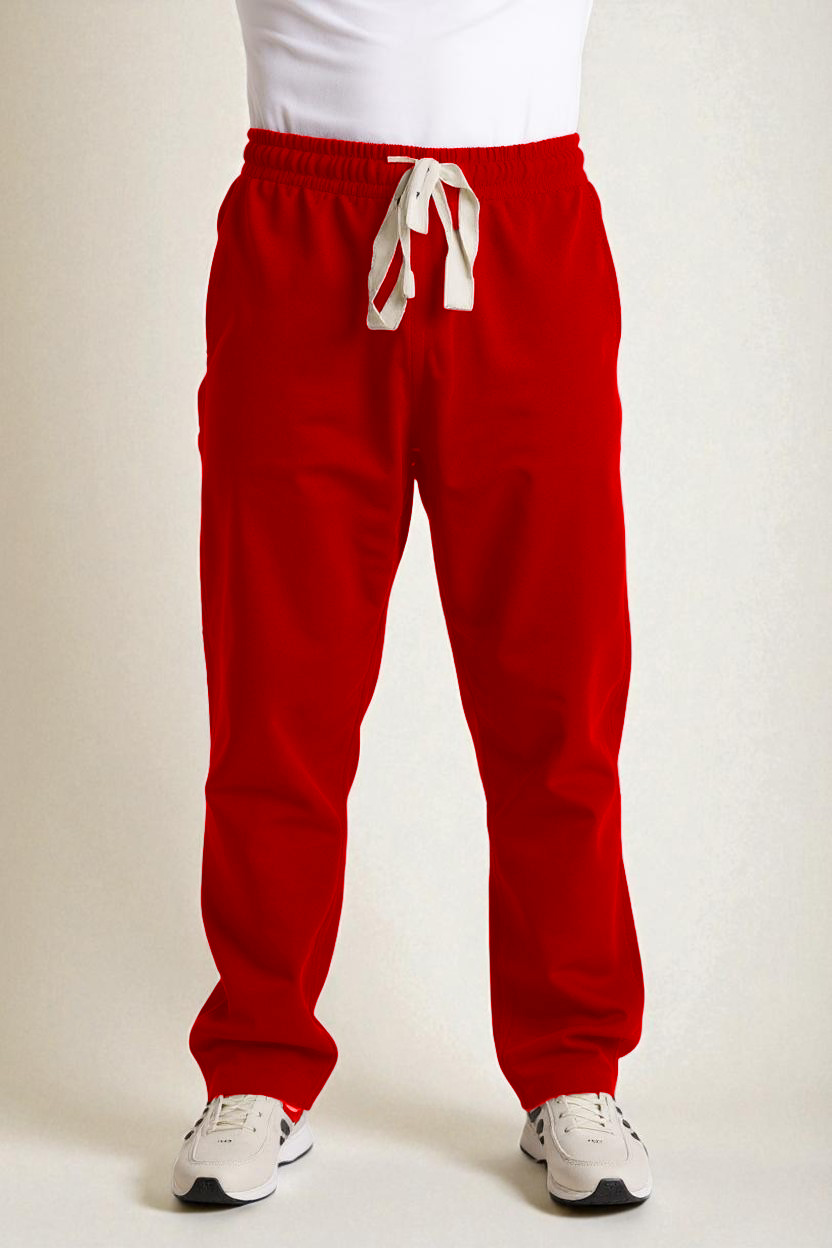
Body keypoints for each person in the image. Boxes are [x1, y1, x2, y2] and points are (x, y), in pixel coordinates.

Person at [171, 0, 652, 1210]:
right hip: (301, 233)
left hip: (526, 233)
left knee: (556, 696)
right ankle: (257, 1064)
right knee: (277, 697)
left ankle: (573, 1070)